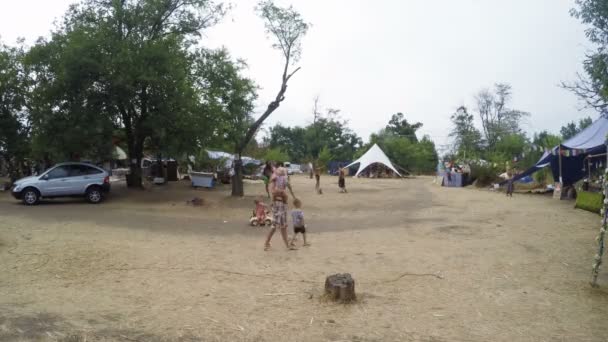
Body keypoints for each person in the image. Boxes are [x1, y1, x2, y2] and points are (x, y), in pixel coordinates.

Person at [264, 166, 297, 251]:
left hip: (277, 204)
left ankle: (268, 243)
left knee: (276, 225)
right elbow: (289, 188)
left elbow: (272, 190)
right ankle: (285, 245)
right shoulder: (282, 180)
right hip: (281, 205)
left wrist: (272, 202)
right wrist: (294, 197)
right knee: (281, 226)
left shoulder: (275, 180)